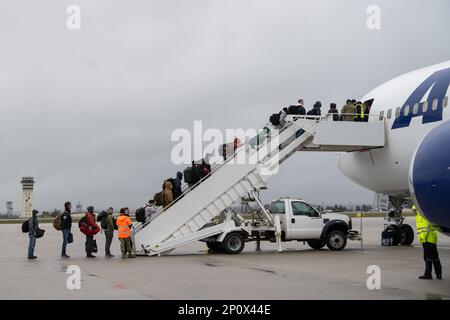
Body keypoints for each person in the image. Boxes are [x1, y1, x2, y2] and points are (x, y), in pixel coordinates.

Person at [414, 205, 442, 280]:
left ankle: (428, 274)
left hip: (427, 239)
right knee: (435, 257)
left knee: (428, 257)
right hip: (432, 239)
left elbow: (424, 229)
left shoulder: (421, 217)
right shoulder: (427, 214)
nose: (414, 212)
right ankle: (439, 274)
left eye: (414, 211)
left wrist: (423, 239)